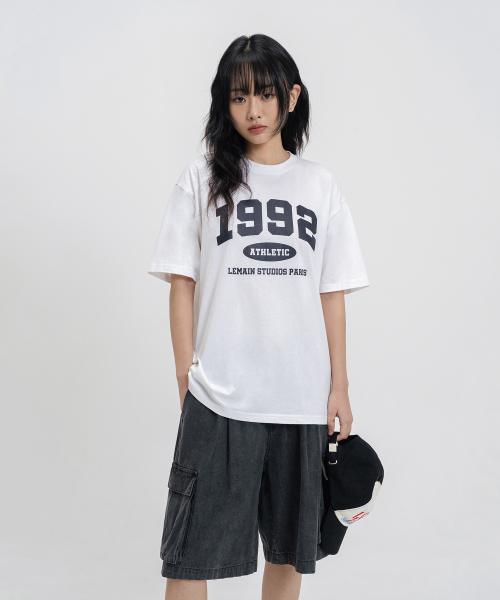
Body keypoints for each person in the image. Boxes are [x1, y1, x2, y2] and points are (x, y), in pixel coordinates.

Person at [148, 33, 370, 600]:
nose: (254, 110)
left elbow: (332, 293)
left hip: (300, 398)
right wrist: (185, 376)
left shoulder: (319, 186)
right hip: (219, 395)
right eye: (239, 96)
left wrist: (339, 386)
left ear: (291, 97)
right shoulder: (201, 179)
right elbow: (181, 281)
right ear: (224, 102)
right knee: (188, 557)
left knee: (289, 554)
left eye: (266, 94)